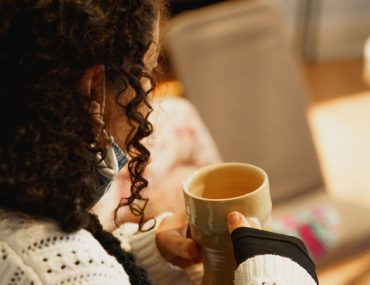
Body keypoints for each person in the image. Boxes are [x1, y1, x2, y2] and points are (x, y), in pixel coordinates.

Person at [0, 1, 318, 284]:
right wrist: (278, 275)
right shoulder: (69, 272)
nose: (149, 106)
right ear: (94, 93)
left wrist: (142, 253)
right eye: (146, 77)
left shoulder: (24, 200)